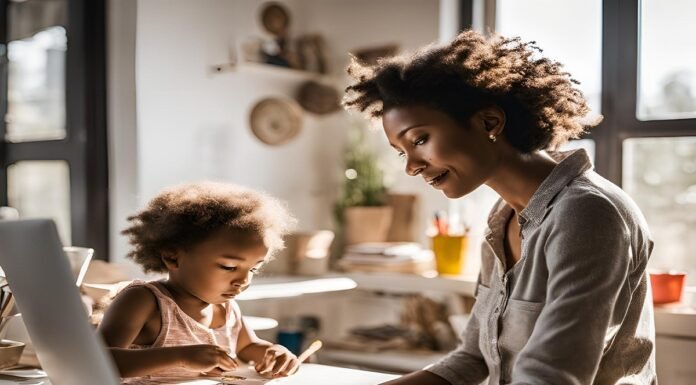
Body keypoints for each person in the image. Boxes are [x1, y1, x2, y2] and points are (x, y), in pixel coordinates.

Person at [343, 30, 656, 385]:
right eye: (403, 152)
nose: (411, 166)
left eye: (420, 140)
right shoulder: (502, 219)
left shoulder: (587, 213)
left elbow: (551, 378)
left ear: (489, 122)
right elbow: (472, 359)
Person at [98, 182, 299, 383]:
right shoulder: (144, 300)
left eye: (254, 269)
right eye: (229, 267)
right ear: (172, 257)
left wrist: (274, 353)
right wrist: (182, 357)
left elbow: (247, 347)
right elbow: (99, 359)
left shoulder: (226, 309)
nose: (244, 280)